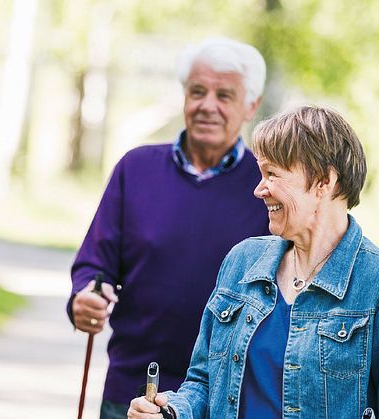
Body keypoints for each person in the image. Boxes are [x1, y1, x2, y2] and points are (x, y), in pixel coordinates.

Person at [128, 106, 379, 418]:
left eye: (272, 174)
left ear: (324, 181)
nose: (259, 189)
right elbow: (203, 381)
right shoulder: (242, 261)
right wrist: (170, 412)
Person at [68, 37, 271, 418]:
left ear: (251, 106)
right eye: (197, 91)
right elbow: (95, 264)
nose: (207, 105)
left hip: (228, 398)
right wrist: (84, 297)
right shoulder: (136, 168)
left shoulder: (266, 186)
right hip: (134, 389)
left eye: (224, 95)